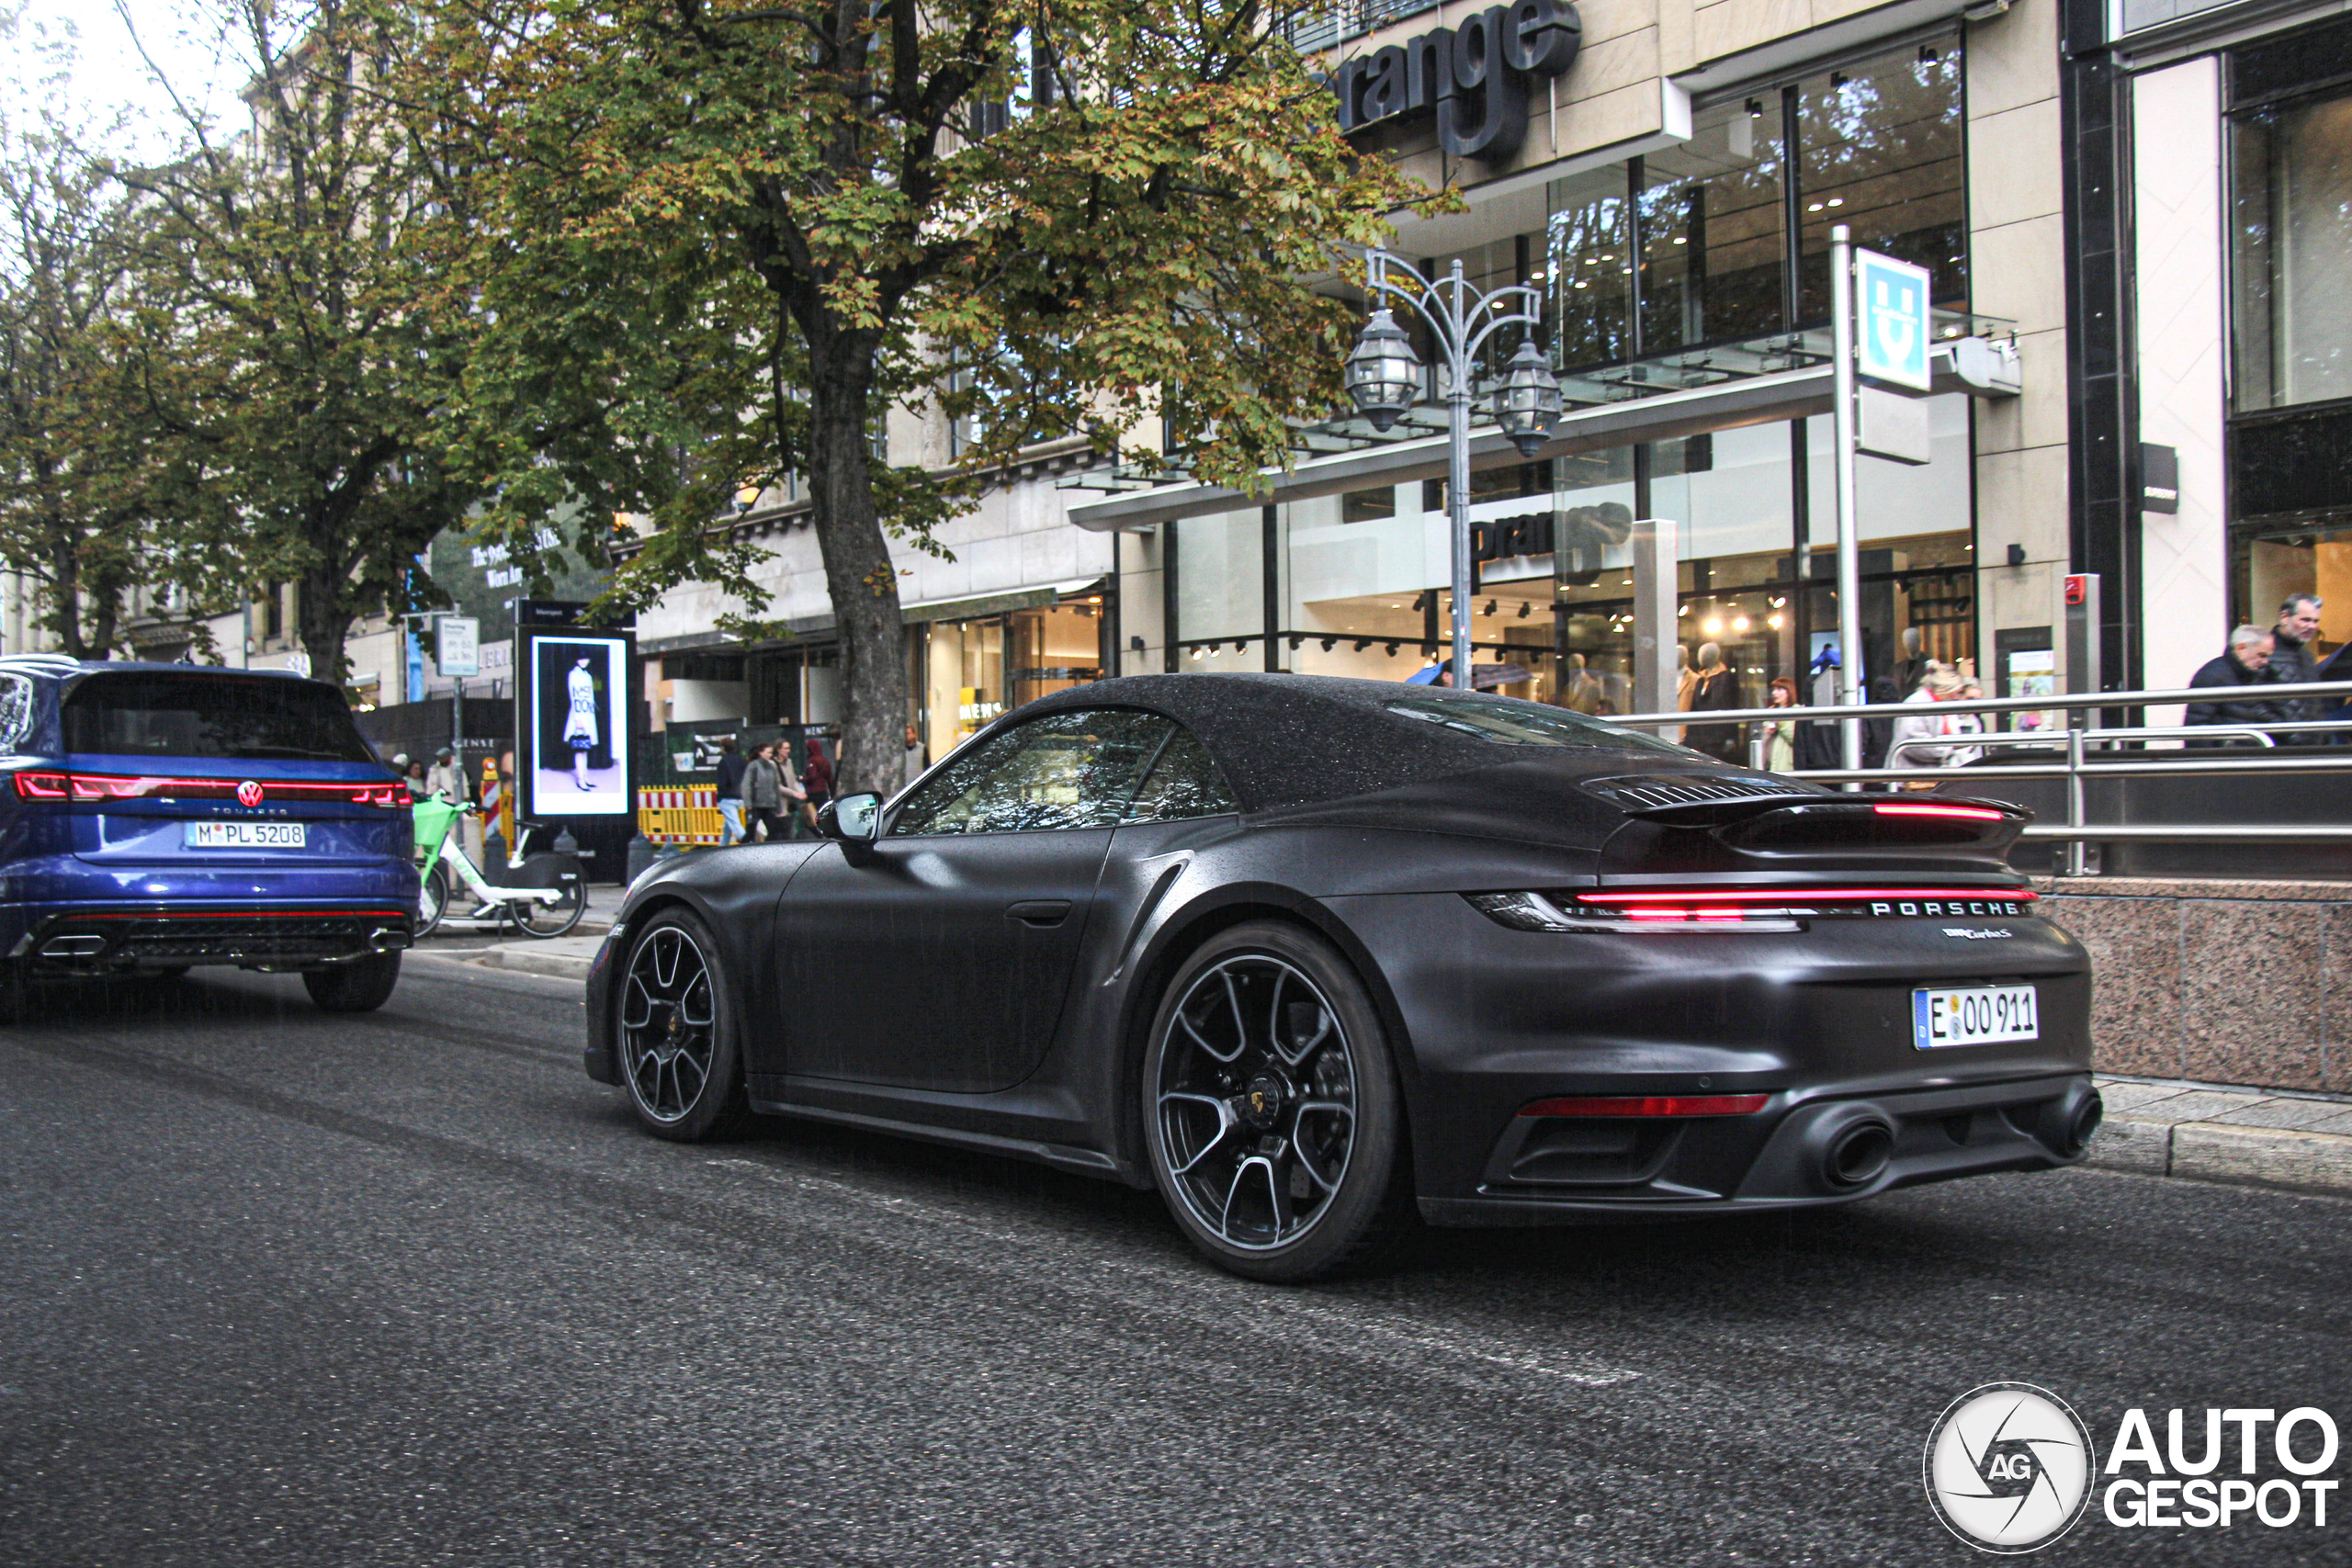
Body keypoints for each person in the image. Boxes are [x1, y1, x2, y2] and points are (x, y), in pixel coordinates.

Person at [2186, 626, 2287, 744]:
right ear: (2241, 647)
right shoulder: (2212, 675)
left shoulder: (2262, 675)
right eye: (2261, 655)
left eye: (2268, 656)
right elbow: (2197, 726)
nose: (2265, 662)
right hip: (2228, 756)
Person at [1888, 662, 1983, 775]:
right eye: (1958, 692)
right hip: (1912, 774)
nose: (1958, 697)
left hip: (1927, 771)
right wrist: (1950, 747)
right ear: (1945, 689)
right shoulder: (1919, 703)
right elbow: (1912, 742)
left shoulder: (1939, 705)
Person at [2264, 592, 2325, 732]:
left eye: (2316, 621)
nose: (2312, 626)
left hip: (2310, 741)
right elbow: (2255, 705)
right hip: (2280, 744)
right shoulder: (2264, 653)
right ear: (2284, 617)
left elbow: (2315, 703)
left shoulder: (2306, 656)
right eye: (2305, 620)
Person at [1683, 642, 1743, 761]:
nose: (1701, 658)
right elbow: (1695, 708)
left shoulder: (1726, 678)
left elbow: (1731, 706)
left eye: (1705, 654)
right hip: (1700, 738)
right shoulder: (1700, 680)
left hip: (1718, 737)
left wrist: (1731, 737)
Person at [562, 655, 600, 790]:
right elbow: (574, 695)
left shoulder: (588, 676)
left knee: (586, 747)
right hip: (579, 713)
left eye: (586, 659)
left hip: (588, 713)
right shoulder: (573, 674)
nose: (584, 662)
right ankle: (580, 779)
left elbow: (590, 695)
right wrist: (578, 718)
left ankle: (585, 775)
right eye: (581, 659)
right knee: (580, 747)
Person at [742, 740, 790, 842]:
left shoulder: (771, 766)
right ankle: (744, 847)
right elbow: (746, 785)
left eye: (771, 753)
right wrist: (748, 802)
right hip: (756, 804)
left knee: (773, 830)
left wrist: (778, 806)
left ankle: (766, 849)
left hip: (769, 804)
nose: (770, 755)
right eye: (768, 752)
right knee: (751, 830)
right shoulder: (754, 766)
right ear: (761, 753)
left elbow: (775, 786)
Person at [712, 734, 748, 846]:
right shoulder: (741, 760)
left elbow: (722, 781)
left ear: (723, 747)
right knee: (728, 824)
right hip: (739, 796)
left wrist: (720, 790)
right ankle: (722, 846)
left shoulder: (724, 761)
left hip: (727, 797)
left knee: (735, 823)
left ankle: (748, 843)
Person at [1759, 677, 1800, 772]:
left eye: (1779, 690)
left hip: (1786, 762)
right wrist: (1767, 732)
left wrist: (1780, 723)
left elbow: (1794, 738)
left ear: (1788, 692)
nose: (1774, 693)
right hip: (1770, 761)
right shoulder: (1772, 710)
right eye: (1774, 690)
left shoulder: (1796, 710)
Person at [800, 736, 833, 834]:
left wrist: (803, 779)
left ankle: (819, 833)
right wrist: (832, 793)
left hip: (813, 793)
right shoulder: (825, 761)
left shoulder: (812, 761)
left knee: (811, 817)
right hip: (823, 792)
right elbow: (830, 779)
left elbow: (812, 776)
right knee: (822, 815)